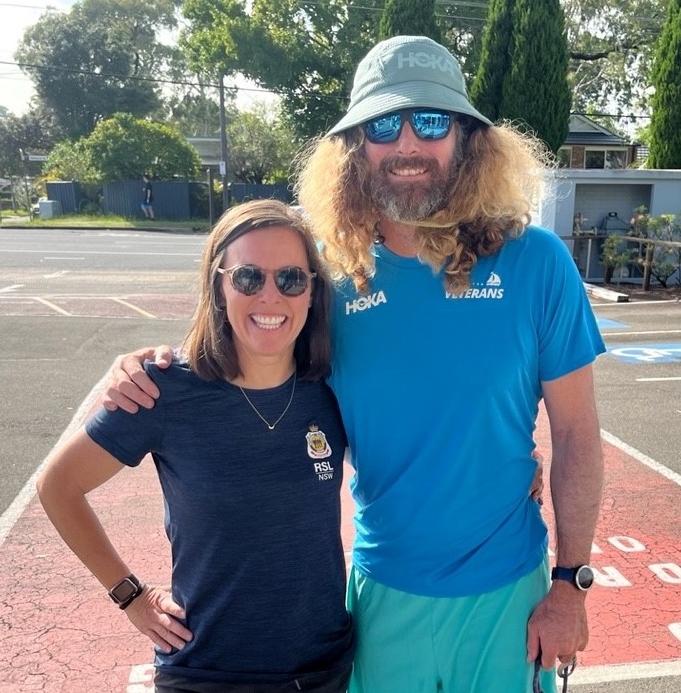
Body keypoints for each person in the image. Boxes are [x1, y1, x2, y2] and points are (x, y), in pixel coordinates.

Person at [102, 36, 605, 693]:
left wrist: (570, 582)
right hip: (382, 596)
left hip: (506, 597)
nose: (406, 145)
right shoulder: (329, 280)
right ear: (353, 148)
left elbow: (574, 435)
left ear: (467, 139)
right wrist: (152, 364)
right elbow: (249, 333)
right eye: (381, 125)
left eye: (429, 121)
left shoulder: (537, 263)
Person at [36, 200, 355, 693]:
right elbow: (58, 485)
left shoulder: (334, 386)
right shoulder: (163, 389)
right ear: (219, 284)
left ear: (312, 292)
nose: (270, 297)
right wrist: (131, 595)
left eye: (291, 279)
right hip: (204, 671)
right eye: (248, 278)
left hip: (323, 669)